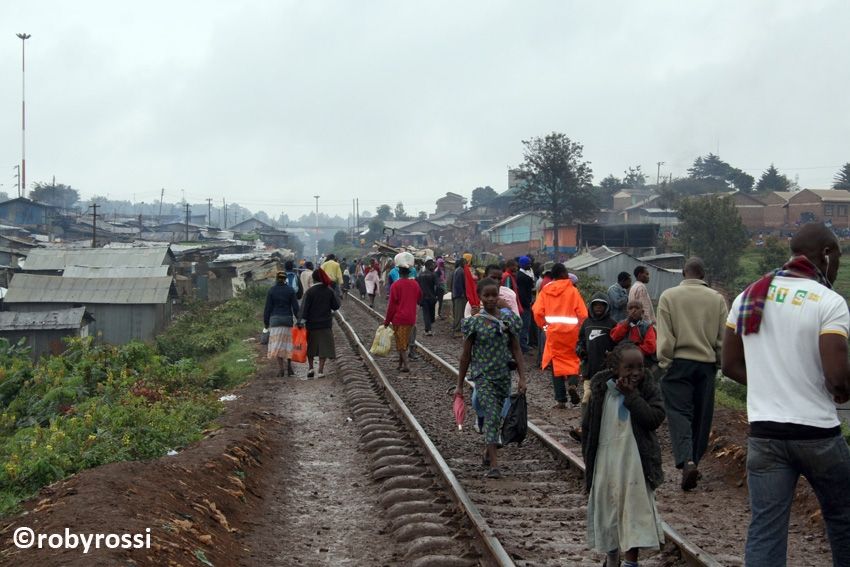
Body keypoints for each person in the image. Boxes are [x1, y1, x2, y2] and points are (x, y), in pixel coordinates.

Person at [722, 223, 850, 566]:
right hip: (818, 436)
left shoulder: (749, 295)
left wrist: (771, 384)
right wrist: (839, 391)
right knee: (843, 518)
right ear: (826, 254)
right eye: (837, 255)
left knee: (766, 527)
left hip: (765, 435)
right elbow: (838, 378)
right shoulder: (829, 302)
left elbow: (730, 364)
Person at [582, 342, 666, 567]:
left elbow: (653, 418)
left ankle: (630, 562)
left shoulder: (646, 389)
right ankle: (611, 559)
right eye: (629, 367)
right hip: (606, 462)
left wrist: (632, 397)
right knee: (608, 510)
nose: (635, 372)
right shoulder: (601, 391)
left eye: (639, 367)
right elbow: (589, 428)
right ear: (615, 368)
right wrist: (588, 461)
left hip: (635, 465)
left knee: (634, 514)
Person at [656, 257, 728, 490]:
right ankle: (694, 461)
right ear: (703, 275)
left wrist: (665, 361)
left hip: (678, 363)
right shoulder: (717, 299)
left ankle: (686, 460)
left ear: (683, 274)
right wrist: (718, 362)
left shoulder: (669, 296)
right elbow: (722, 338)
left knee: (679, 413)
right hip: (705, 365)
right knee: (702, 415)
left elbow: (665, 337)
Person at [455, 277, 527, 479]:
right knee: (492, 414)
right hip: (483, 376)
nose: (491, 299)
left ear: (499, 296)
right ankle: (495, 466)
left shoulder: (508, 321)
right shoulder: (474, 323)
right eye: (486, 295)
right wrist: (459, 385)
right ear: (480, 297)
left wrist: (522, 378)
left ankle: (488, 452)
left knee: (500, 417)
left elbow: (516, 350)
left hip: (503, 376)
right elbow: (466, 355)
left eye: (494, 295)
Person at [532, 263, 588, 409]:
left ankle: (560, 399)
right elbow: (583, 313)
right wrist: (581, 329)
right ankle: (573, 384)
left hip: (553, 334)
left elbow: (537, 312)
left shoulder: (545, 291)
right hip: (572, 334)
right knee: (573, 361)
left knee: (556, 365)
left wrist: (545, 327)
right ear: (564, 273)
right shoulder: (573, 291)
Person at [572, 292, 617, 441]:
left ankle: (604, 431)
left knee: (605, 403)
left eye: (601, 305)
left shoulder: (612, 324)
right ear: (591, 306)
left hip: (606, 372)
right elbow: (580, 341)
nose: (598, 308)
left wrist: (612, 357)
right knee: (586, 399)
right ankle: (584, 428)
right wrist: (580, 350)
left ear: (606, 307)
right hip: (589, 371)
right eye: (596, 305)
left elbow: (618, 345)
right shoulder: (586, 323)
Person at [298, 268, 341, 378]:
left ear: (314, 279)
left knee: (311, 346)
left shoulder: (309, 292)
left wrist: (301, 322)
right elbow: (336, 306)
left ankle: (311, 368)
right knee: (324, 347)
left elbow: (304, 309)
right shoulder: (329, 290)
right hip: (325, 324)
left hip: (312, 325)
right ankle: (321, 370)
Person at [383, 253, 422, 373]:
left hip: (399, 318)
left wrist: (387, 321)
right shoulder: (415, 284)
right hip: (411, 318)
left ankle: (406, 365)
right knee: (403, 340)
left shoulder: (395, 285)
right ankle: (400, 364)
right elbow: (420, 298)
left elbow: (392, 306)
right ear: (409, 272)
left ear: (399, 271)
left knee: (400, 343)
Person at [264, 270, 300, 377]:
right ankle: (289, 367)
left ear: (276, 279)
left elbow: (268, 309)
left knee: (277, 345)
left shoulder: (271, 291)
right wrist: (299, 320)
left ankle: (281, 369)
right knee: (288, 344)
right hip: (287, 320)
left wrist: (266, 323)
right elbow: (295, 308)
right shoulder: (290, 290)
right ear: (285, 279)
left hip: (275, 321)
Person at [610, 301, 657, 369]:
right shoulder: (622, 324)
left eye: (637, 308)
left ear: (642, 312)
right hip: (623, 360)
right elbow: (615, 337)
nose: (633, 310)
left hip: (642, 360)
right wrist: (626, 324)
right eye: (630, 308)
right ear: (627, 312)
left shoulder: (647, 326)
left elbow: (650, 347)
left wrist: (631, 352)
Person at [516, 256, 536, 354]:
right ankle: (523, 347)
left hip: (521, 303)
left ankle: (522, 345)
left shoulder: (518, 275)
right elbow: (529, 288)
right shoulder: (526, 278)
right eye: (528, 264)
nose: (530, 265)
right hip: (525, 304)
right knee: (525, 325)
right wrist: (528, 303)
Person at [416, 259, 439, 336]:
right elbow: (437, 286)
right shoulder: (433, 275)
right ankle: (428, 329)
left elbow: (417, 286)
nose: (433, 266)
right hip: (432, 297)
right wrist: (436, 296)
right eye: (432, 265)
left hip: (423, 297)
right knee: (430, 313)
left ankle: (428, 329)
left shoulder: (420, 275)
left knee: (426, 314)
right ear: (429, 266)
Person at [451, 257, 468, 337]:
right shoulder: (461, 271)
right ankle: (457, 330)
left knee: (458, 312)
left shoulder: (457, 270)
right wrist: (462, 294)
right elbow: (458, 284)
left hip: (456, 294)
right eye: (465, 262)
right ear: (462, 263)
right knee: (459, 313)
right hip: (459, 295)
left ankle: (456, 327)